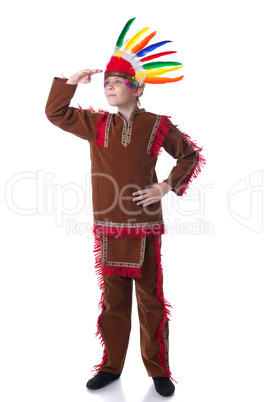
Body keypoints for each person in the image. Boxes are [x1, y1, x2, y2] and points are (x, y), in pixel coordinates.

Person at [45, 18, 205, 397]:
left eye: (115, 82)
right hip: (108, 225)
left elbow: (189, 156)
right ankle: (111, 366)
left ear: (137, 87)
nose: (108, 88)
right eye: (105, 84)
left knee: (150, 301)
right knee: (113, 302)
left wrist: (165, 186)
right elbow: (55, 113)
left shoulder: (156, 124)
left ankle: (158, 370)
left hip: (144, 226)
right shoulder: (96, 124)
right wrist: (71, 81)